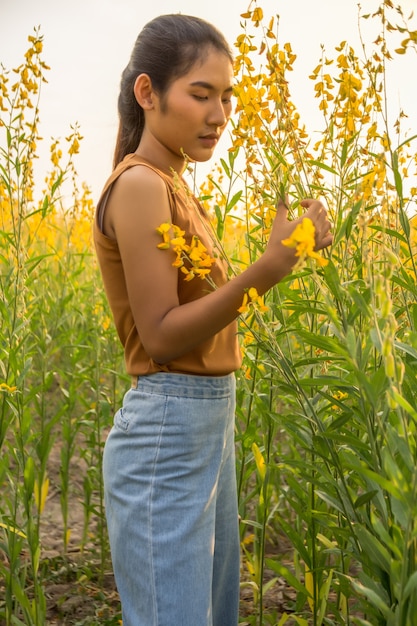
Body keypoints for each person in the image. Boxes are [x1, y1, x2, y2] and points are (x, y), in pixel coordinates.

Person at [93, 13, 332, 626]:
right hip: (168, 433)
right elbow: (163, 334)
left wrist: (285, 256)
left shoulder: (172, 184)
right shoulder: (143, 184)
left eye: (227, 96)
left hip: (202, 425)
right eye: (200, 94)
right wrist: (273, 265)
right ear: (148, 93)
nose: (219, 113)